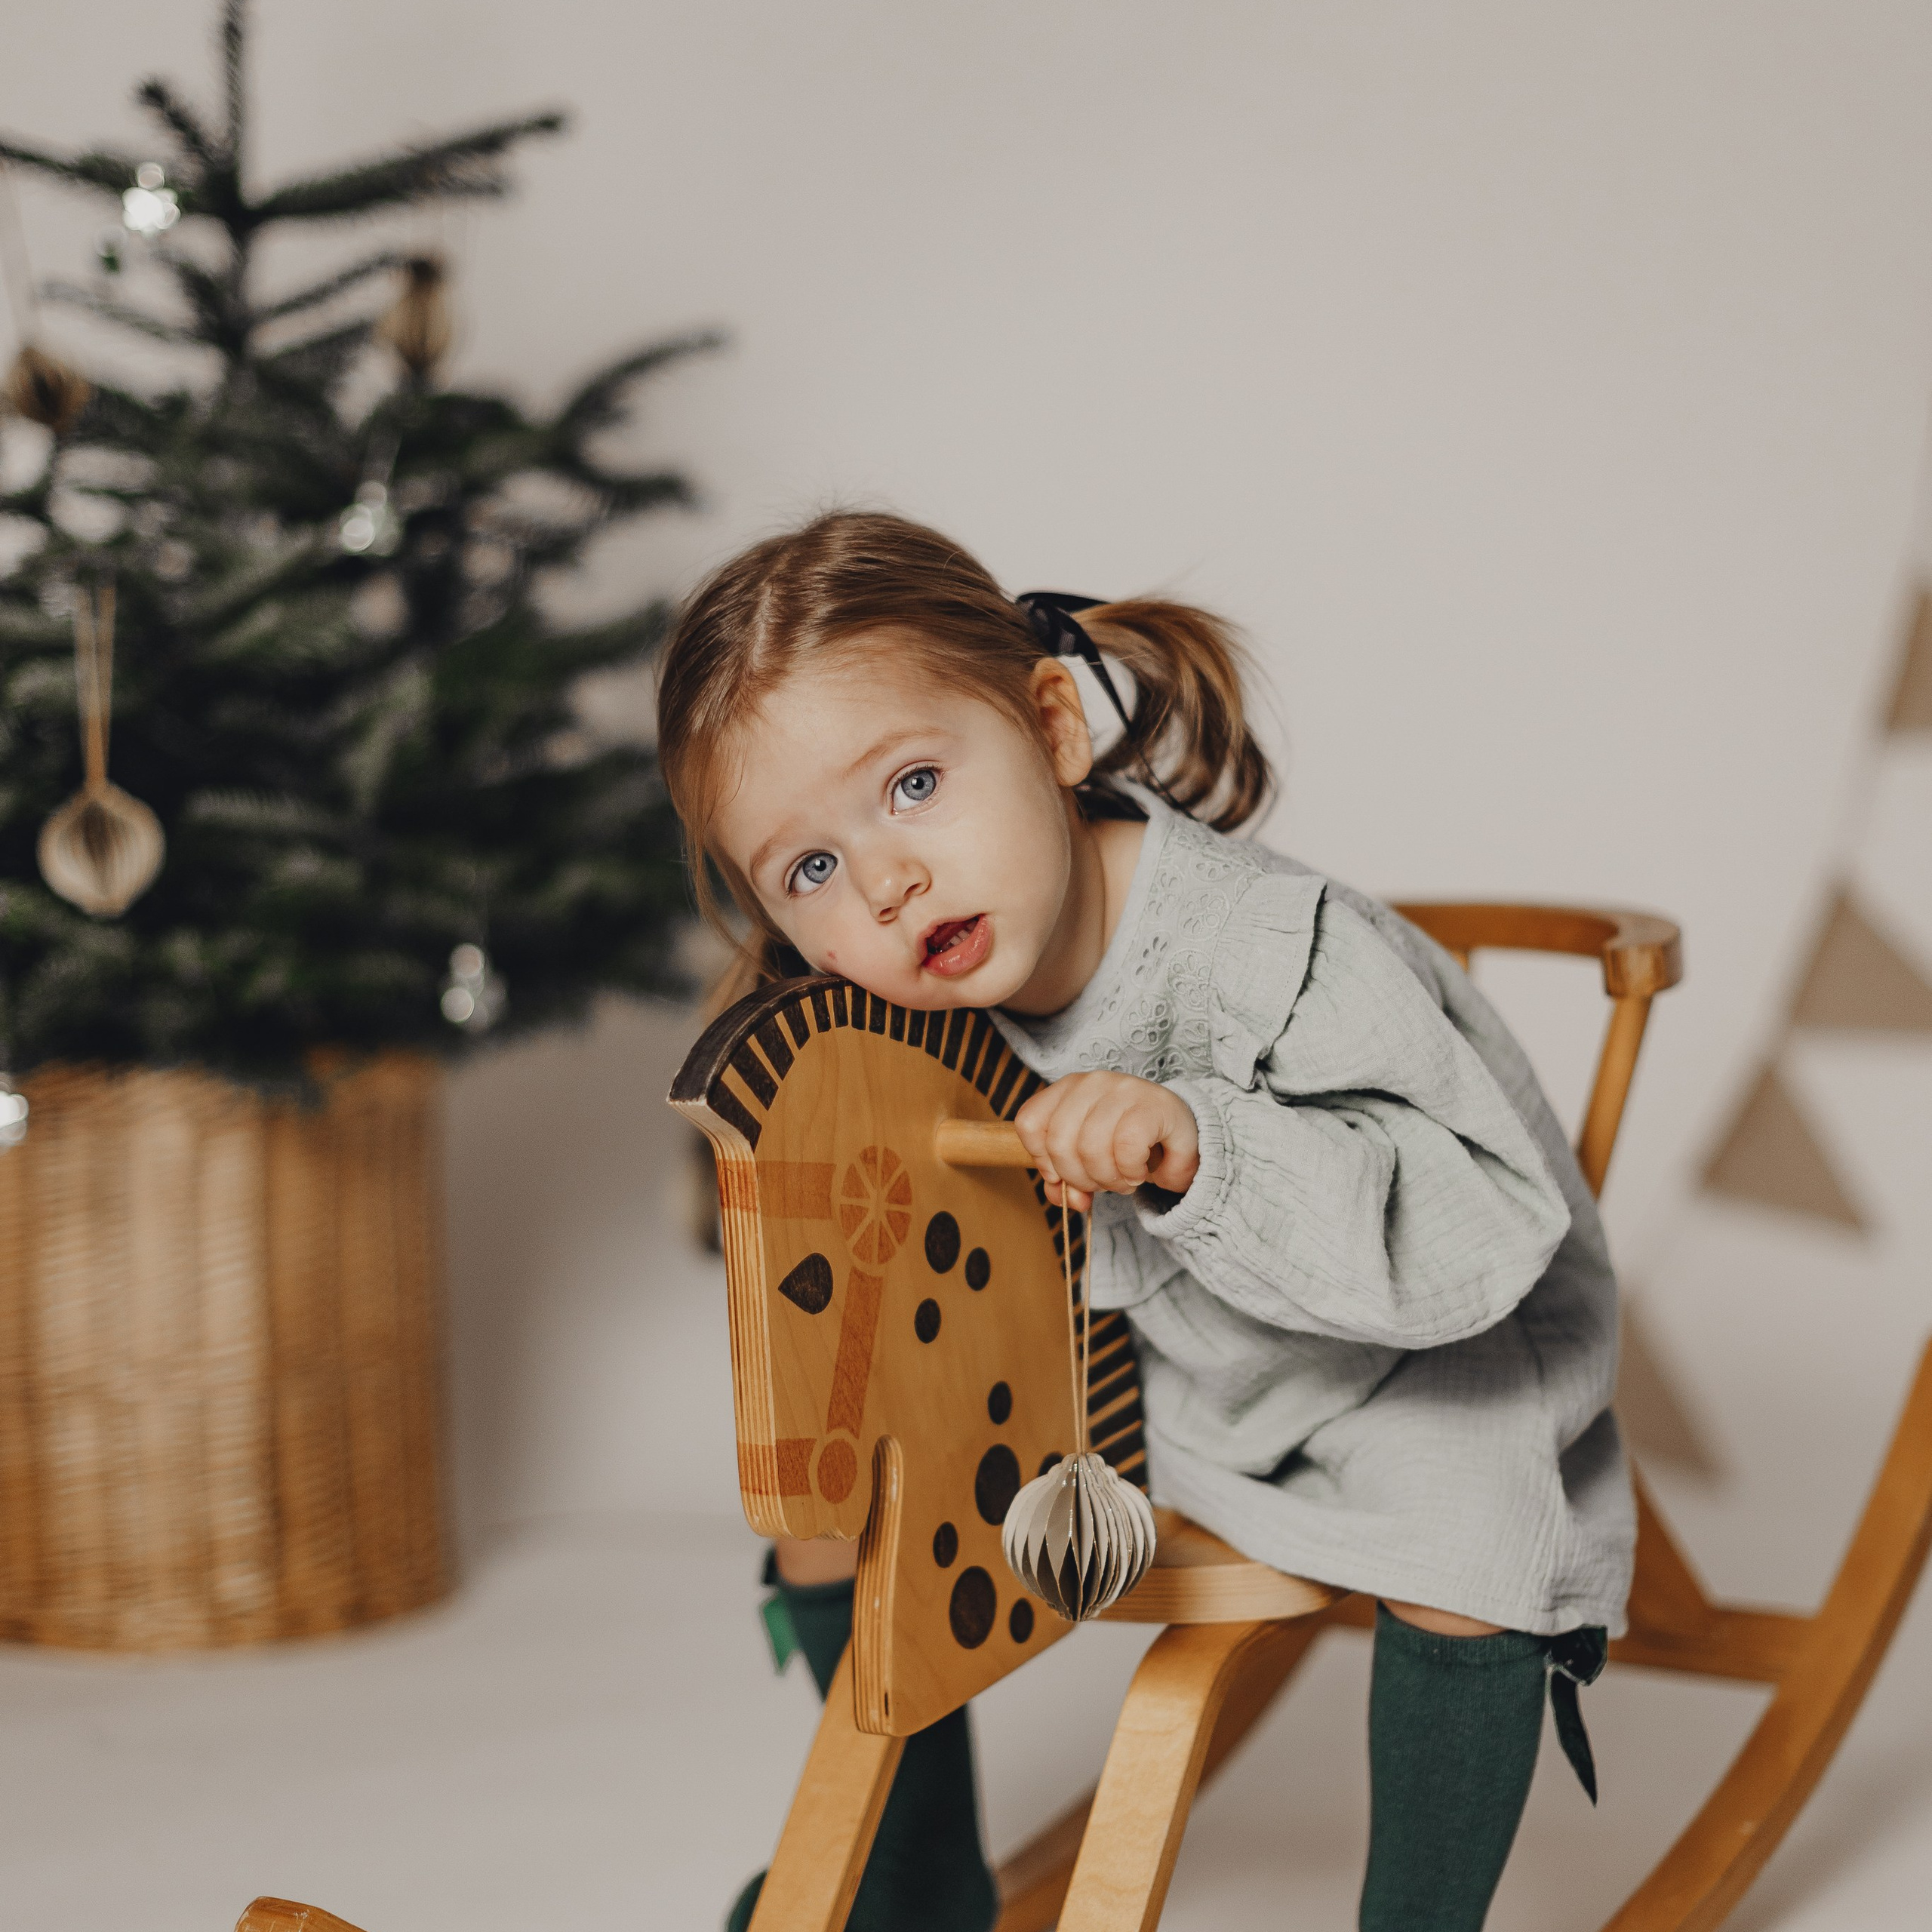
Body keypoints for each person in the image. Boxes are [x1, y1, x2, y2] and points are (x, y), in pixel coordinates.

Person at [656, 510, 1629, 1932]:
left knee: (1474, 1528)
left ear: (1051, 725)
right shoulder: (900, 1021)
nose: (882, 880)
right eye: (808, 870)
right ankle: (912, 1878)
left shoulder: (1271, 955)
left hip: (1407, 1353)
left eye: (915, 783)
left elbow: (1479, 1217)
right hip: (1163, 1374)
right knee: (844, 1495)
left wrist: (1196, 1147)